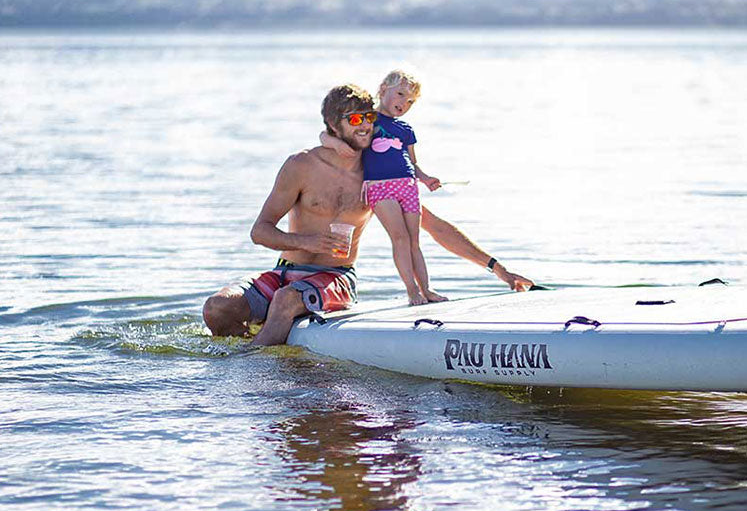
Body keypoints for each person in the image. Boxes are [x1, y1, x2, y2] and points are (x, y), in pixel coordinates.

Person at [202, 83, 534, 347]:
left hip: (336, 278)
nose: (366, 126)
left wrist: (499, 270)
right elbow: (260, 231)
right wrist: (306, 240)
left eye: (370, 118)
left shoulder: (377, 174)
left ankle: (248, 366)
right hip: (285, 271)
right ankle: (262, 348)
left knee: (286, 301)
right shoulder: (301, 166)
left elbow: (434, 227)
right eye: (356, 119)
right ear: (334, 125)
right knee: (216, 308)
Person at [321, 70, 444, 306]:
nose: (404, 103)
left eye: (410, 101)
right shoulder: (368, 119)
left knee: (414, 241)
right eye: (400, 94)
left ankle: (426, 289)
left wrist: (426, 178)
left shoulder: (406, 129)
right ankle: (412, 292)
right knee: (399, 238)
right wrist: (336, 144)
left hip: (408, 185)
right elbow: (325, 135)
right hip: (380, 187)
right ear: (383, 89)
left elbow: (412, 162)